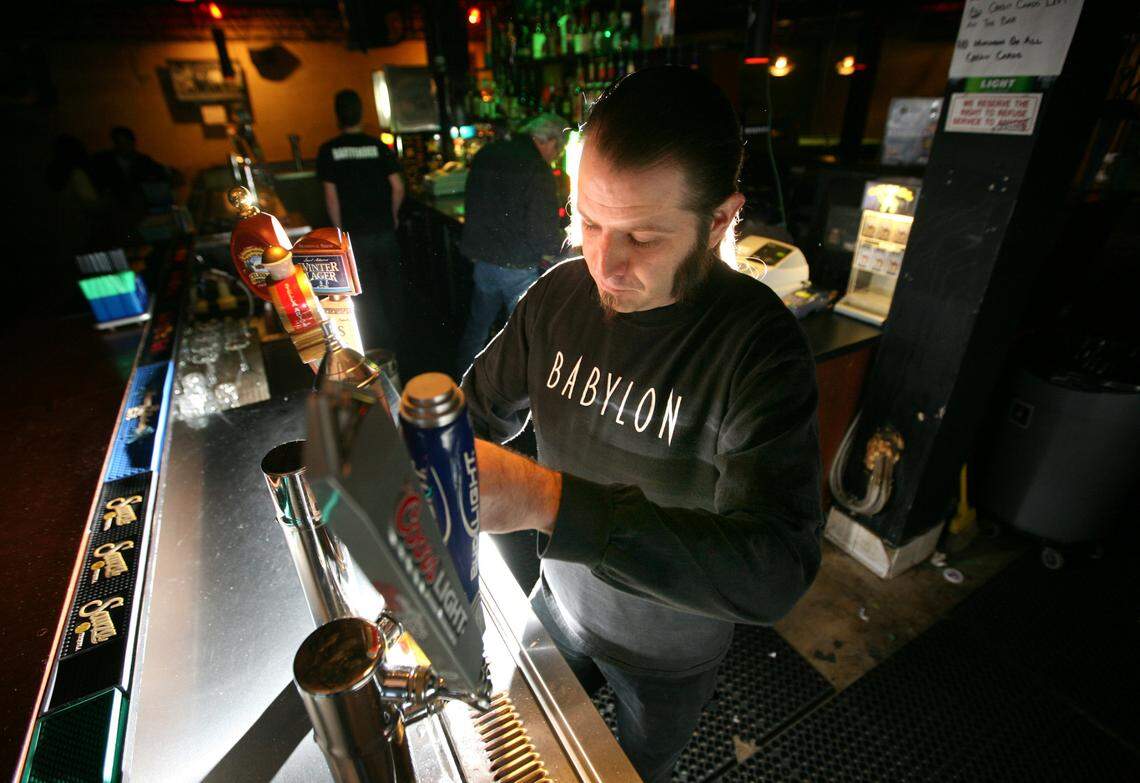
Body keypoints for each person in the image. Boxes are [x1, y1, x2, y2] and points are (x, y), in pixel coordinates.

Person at [462, 68, 823, 783]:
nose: (606, 263)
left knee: (637, 771)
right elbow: (474, 410)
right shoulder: (558, 295)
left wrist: (550, 501)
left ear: (720, 220)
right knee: (522, 744)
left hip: (669, 652)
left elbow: (775, 569)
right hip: (559, 604)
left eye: (645, 238)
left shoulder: (757, 346)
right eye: (590, 222)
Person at [456, 113, 566, 375]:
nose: (554, 157)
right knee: (522, 339)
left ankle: (463, 387)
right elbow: (542, 231)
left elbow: (471, 203)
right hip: (517, 268)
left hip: (484, 262)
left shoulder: (488, 153)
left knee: (477, 329)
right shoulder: (537, 168)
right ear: (548, 141)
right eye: (557, 150)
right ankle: (514, 404)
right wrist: (561, 247)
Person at [317, 89, 406, 350]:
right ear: (360, 113)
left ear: (337, 116)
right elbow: (398, 186)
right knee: (392, 284)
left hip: (354, 234)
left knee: (366, 291)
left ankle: (377, 342)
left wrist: (338, 233)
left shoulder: (328, 150)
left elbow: (331, 197)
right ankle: (401, 338)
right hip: (384, 228)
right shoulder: (377, 146)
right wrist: (393, 215)